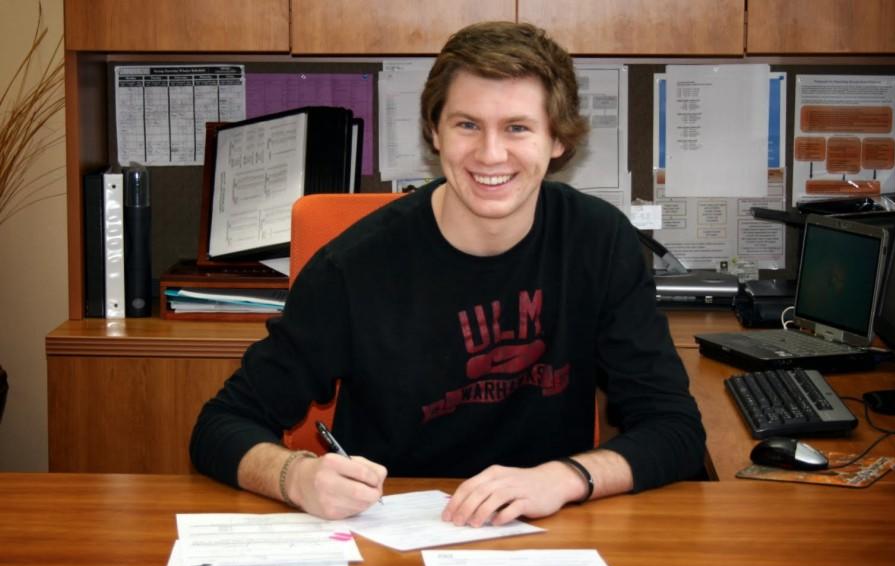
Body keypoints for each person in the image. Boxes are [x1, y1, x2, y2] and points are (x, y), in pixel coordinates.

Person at [191, 21, 705, 526]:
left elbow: (674, 429)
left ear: (557, 141)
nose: (490, 154)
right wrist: (295, 477)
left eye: (518, 128)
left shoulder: (599, 243)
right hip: (392, 540)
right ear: (435, 132)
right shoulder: (353, 268)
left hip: (545, 538)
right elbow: (220, 426)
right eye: (467, 125)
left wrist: (563, 478)